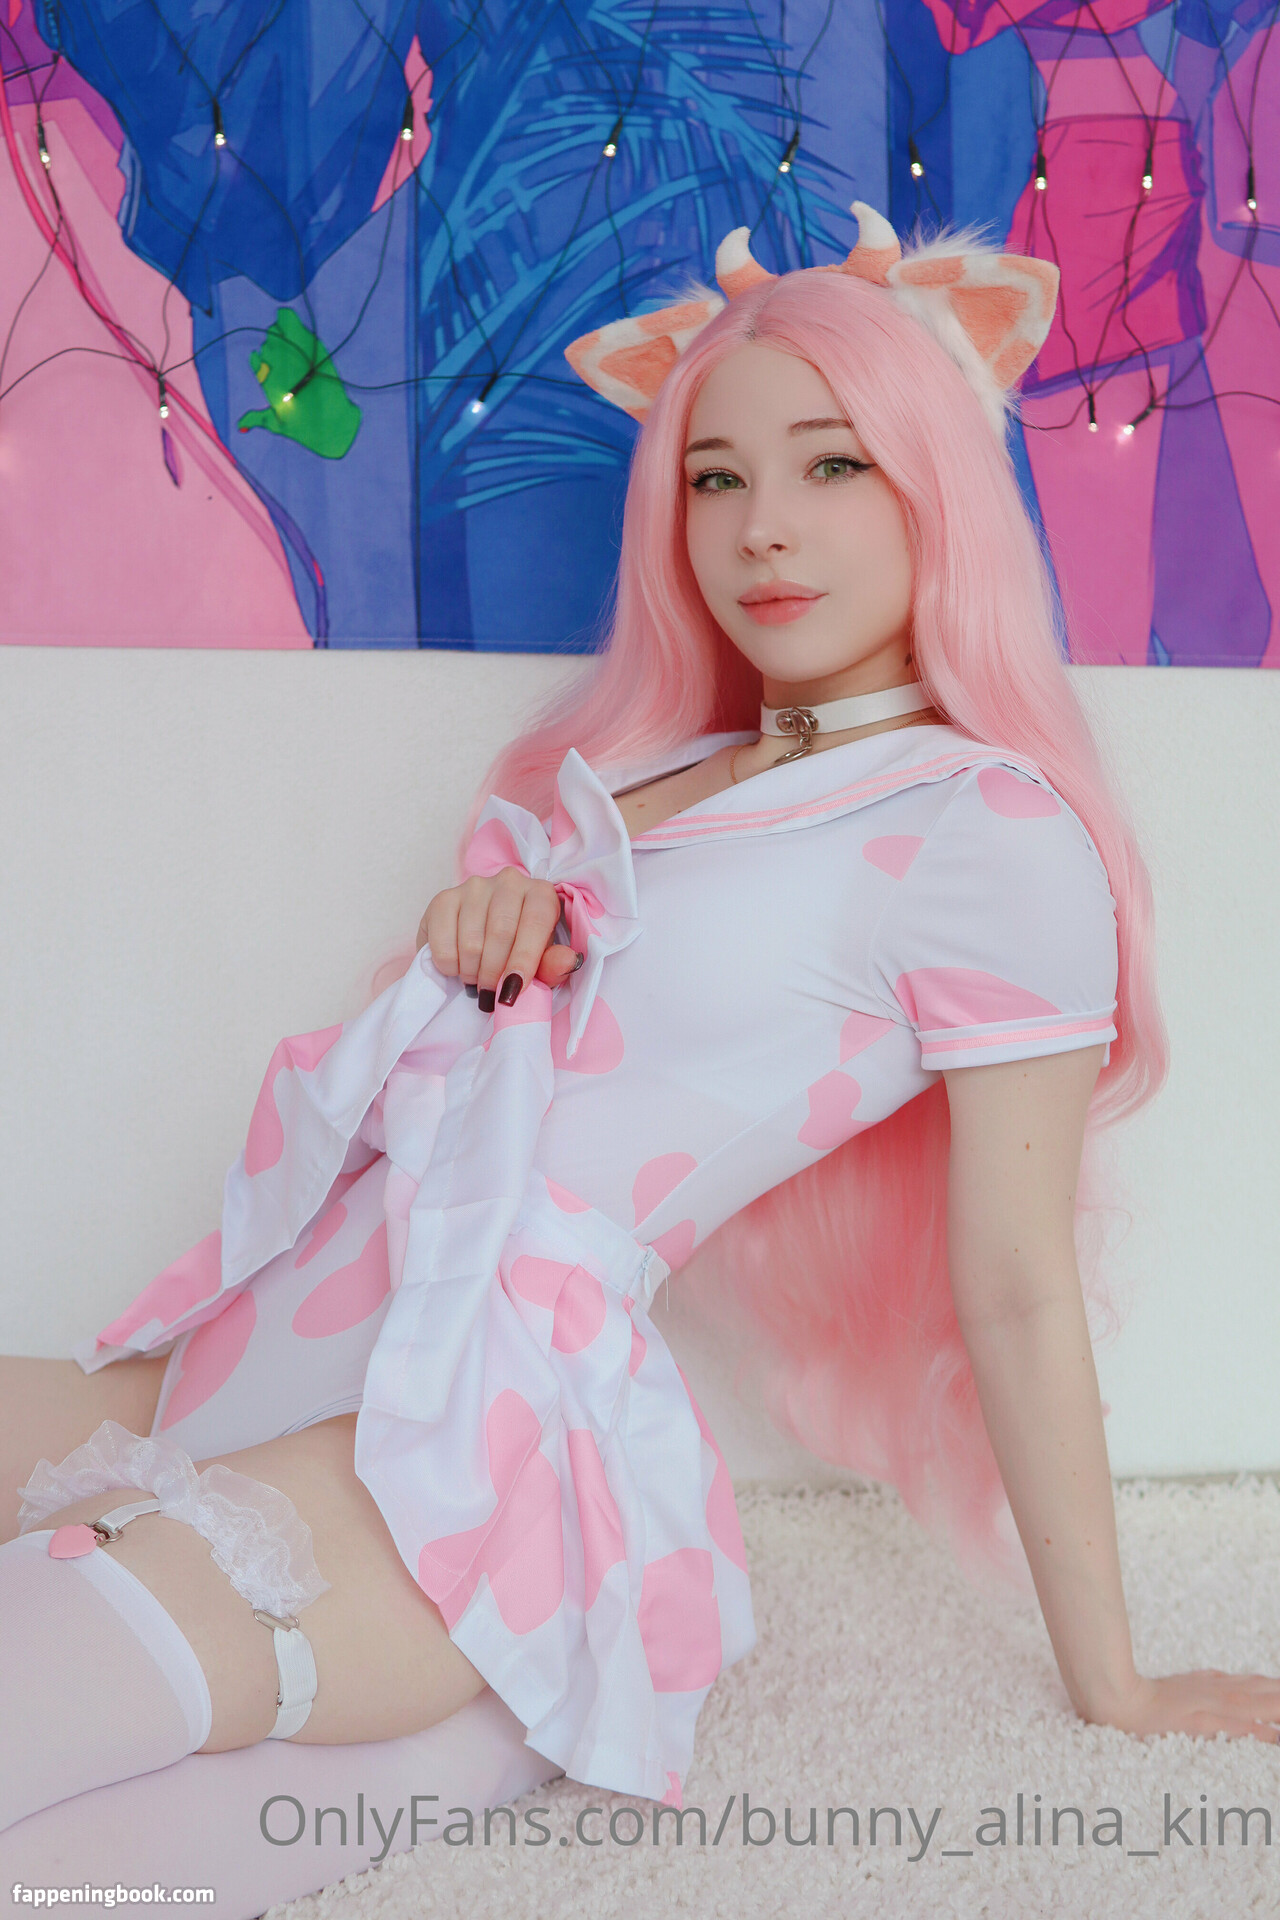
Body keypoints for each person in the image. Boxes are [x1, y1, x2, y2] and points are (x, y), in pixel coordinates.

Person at [4, 199, 1279, 1872]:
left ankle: (476, 1703)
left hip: (472, 1429)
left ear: (938, 487)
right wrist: (479, 936)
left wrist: (1114, 1683)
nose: (762, 529)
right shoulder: (654, 775)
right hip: (255, 1345)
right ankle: (448, 1745)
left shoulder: (990, 831)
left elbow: (1020, 1284)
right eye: (715, 478)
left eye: (833, 466)